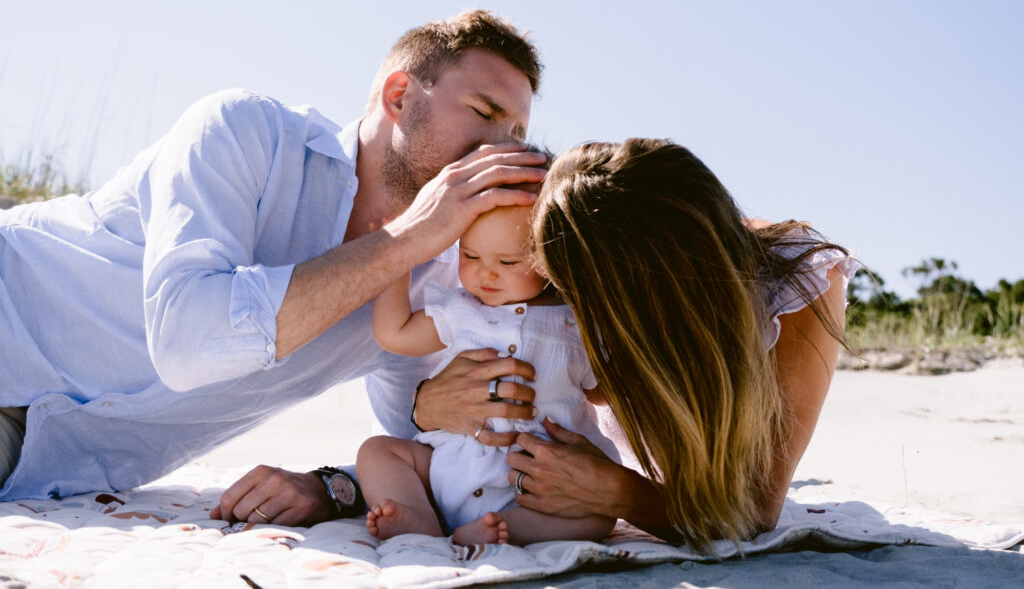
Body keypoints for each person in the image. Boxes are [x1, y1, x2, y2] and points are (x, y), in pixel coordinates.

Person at [0, 10, 547, 518]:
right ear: (399, 97)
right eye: (483, 113)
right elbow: (186, 343)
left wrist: (332, 486)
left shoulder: (446, 285)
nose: (497, 149)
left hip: (42, 465)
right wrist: (406, 239)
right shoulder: (244, 132)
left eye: (515, 136)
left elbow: (429, 448)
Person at [233, 137, 853, 556]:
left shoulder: (798, 281)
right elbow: (486, 406)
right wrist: (426, 406)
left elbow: (754, 512)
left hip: (613, 477)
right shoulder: (579, 238)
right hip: (517, 467)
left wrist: (619, 493)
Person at [358, 170, 618, 546]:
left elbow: (602, 393)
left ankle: (507, 529)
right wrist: (399, 256)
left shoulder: (573, 322)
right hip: (451, 464)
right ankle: (418, 515)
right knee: (378, 451)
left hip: (538, 481)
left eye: (508, 262)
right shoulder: (460, 309)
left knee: (600, 514)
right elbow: (393, 333)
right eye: (470, 255)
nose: (485, 273)